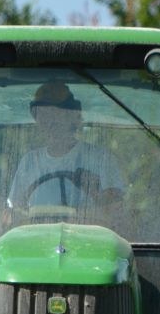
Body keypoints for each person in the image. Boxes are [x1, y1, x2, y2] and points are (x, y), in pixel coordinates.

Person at [6, 81, 122, 215]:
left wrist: (92, 190)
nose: (49, 120)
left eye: (55, 112)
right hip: (38, 235)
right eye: (42, 113)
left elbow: (116, 212)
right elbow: (15, 212)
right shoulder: (29, 162)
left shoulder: (100, 159)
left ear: (73, 115)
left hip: (87, 235)